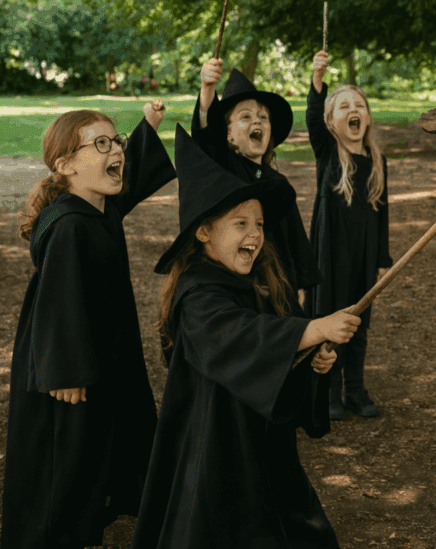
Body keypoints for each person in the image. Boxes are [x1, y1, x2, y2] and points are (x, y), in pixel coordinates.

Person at [130, 126, 360, 549]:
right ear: (203, 232)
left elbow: (276, 345)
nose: (255, 234)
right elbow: (238, 337)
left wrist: (311, 357)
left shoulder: (260, 283)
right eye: (240, 223)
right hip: (216, 448)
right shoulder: (198, 295)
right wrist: (312, 330)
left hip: (265, 448)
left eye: (259, 224)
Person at [2, 103, 175, 549]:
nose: (114, 150)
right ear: (65, 166)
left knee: (103, 444)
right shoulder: (69, 227)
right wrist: (66, 370)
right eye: (100, 144)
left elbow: (127, 176)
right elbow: (58, 298)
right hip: (69, 369)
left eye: (115, 141)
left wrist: (146, 129)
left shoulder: (100, 207)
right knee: (68, 459)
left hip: (100, 357)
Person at [192, 58, 321, 314]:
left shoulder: (278, 183)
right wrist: (207, 89)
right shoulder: (226, 170)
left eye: (263, 116)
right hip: (242, 287)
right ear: (227, 133)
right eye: (245, 116)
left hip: (281, 287)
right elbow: (208, 136)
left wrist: (301, 284)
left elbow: (295, 239)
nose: (257, 121)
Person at [306, 50, 393, 420]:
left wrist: (383, 261)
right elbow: (310, 116)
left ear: (367, 117)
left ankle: (355, 389)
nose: (353, 110)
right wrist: (317, 78)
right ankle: (328, 393)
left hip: (363, 256)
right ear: (330, 121)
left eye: (359, 105)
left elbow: (383, 213)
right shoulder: (328, 154)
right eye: (343, 106)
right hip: (328, 255)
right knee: (332, 318)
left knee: (360, 321)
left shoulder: (376, 161)